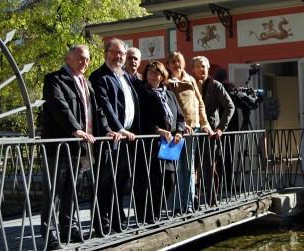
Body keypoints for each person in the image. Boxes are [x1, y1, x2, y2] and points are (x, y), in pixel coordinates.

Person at [41, 44, 122, 249]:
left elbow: (97, 111)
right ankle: (49, 232)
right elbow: (60, 106)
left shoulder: (85, 83)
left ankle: (69, 227)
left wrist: (106, 130)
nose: (84, 62)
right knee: (55, 190)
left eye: (87, 59)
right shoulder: (54, 80)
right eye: (80, 58)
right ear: (69, 58)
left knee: (73, 188)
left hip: (80, 147)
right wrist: (75, 129)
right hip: (59, 145)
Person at [89, 38, 140, 236]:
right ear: (106, 53)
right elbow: (105, 106)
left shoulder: (125, 76)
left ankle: (117, 219)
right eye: (114, 52)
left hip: (126, 138)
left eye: (121, 53)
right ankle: (101, 224)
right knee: (104, 183)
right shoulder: (99, 76)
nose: (118, 56)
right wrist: (119, 129)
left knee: (120, 181)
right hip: (110, 137)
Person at [165, 51, 214, 214]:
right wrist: (178, 126)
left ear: (183, 63)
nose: (176, 64)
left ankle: (189, 204)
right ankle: (177, 205)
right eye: (172, 62)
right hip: (176, 131)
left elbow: (200, 104)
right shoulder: (167, 82)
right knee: (177, 168)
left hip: (194, 129)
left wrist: (205, 124)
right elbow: (168, 107)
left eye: (178, 61)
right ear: (168, 65)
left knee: (190, 167)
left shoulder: (191, 79)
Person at [137, 61, 185, 223]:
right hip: (153, 143)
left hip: (170, 144)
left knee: (169, 179)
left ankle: (158, 210)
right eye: (150, 72)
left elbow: (180, 116)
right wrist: (157, 130)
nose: (153, 75)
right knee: (154, 179)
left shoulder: (169, 94)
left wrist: (179, 131)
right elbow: (140, 119)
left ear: (163, 75)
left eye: (157, 72)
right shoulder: (142, 93)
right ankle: (150, 215)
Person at [191, 57, 235, 207]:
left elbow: (230, 106)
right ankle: (194, 200)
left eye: (203, 66)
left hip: (210, 133)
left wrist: (221, 128)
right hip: (192, 132)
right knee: (193, 168)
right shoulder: (188, 84)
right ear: (193, 69)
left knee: (210, 167)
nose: (201, 69)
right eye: (198, 66)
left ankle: (212, 200)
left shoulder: (216, 86)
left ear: (208, 68)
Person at [214, 69, 239, 191]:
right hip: (229, 129)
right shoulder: (229, 91)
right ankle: (229, 184)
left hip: (216, 128)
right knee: (228, 157)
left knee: (217, 157)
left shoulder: (212, 90)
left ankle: (217, 185)